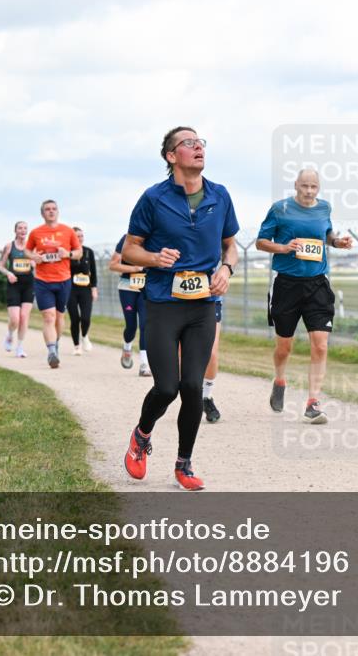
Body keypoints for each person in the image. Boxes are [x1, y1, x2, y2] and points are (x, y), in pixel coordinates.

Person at [121, 126, 239, 491]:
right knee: (167, 387)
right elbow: (129, 250)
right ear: (172, 156)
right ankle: (142, 435)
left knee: (192, 386)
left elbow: (230, 245)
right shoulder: (153, 199)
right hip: (162, 304)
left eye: (201, 141)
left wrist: (226, 268)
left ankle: (183, 464)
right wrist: (154, 257)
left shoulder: (219, 196)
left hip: (202, 305)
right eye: (189, 143)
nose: (198, 146)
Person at [257, 168, 353, 424]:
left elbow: (327, 235)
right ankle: (279, 379)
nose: (309, 191)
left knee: (321, 344)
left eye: (314, 187)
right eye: (305, 186)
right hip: (286, 285)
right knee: (284, 346)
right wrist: (283, 247)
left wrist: (337, 242)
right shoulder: (280, 209)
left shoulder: (325, 208)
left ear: (319, 188)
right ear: (296, 185)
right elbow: (260, 242)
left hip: (317, 284)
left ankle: (313, 401)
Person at [25, 199, 82, 369]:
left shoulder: (68, 231)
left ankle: (55, 343)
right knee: (48, 316)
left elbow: (78, 252)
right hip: (43, 280)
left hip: (63, 280)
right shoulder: (36, 233)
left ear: (58, 212)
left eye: (54, 209)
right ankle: (51, 352)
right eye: (47, 209)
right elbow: (27, 250)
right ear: (42, 213)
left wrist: (68, 254)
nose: (51, 211)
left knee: (59, 317)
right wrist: (33, 256)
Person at [109, 235, 150, 374]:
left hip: (148, 287)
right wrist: (136, 268)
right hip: (127, 287)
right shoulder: (126, 239)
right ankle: (127, 347)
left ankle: (144, 364)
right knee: (131, 326)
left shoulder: (157, 236)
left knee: (145, 324)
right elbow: (113, 265)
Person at [0, 221, 35, 358]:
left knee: (24, 317)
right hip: (14, 284)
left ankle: (19, 347)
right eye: (20, 228)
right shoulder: (9, 246)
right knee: (15, 319)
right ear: (15, 230)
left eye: (25, 228)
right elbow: (1, 266)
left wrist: (34, 262)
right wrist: (9, 273)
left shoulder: (32, 247)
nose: (23, 230)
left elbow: (37, 264)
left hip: (29, 284)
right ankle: (9, 334)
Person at [67, 227, 98, 356]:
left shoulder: (88, 252)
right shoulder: (68, 253)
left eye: (81, 236)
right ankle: (76, 346)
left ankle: (84, 336)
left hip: (85, 289)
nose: (79, 238)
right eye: (77, 236)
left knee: (85, 317)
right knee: (75, 318)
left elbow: (93, 272)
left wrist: (94, 289)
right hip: (70, 290)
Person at [200, 300, 223, 423]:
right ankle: (190, 396)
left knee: (212, 352)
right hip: (180, 300)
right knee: (182, 352)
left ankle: (206, 397)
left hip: (210, 299)